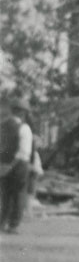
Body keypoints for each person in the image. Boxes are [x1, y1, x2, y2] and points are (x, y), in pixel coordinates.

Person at [0, 97, 34, 234]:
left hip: (3, 165)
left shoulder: (2, 126)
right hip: (18, 166)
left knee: (5, 196)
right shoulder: (24, 128)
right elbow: (23, 152)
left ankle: (2, 223)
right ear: (23, 113)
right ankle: (13, 225)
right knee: (19, 195)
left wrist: (3, 166)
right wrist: (11, 166)